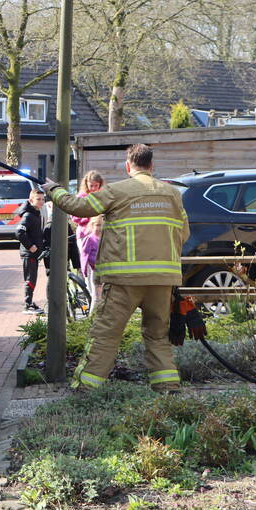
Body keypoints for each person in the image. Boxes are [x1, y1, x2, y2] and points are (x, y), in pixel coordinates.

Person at [42, 144, 188, 393]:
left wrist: (54, 190)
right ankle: (168, 388)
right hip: (163, 280)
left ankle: (85, 390)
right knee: (157, 336)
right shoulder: (173, 194)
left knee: (106, 335)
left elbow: (79, 208)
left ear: (128, 166)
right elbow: (184, 233)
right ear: (152, 166)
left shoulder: (118, 191)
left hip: (124, 279)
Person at [16, 188, 47, 314]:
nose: (41, 202)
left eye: (43, 199)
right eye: (38, 199)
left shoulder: (36, 213)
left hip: (34, 253)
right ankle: (27, 304)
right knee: (30, 279)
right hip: (29, 254)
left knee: (32, 278)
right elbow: (19, 232)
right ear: (31, 200)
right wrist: (30, 246)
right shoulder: (28, 215)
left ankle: (30, 302)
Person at [79, 215, 103, 304]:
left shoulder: (105, 238)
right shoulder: (90, 239)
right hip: (95, 270)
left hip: (105, 270)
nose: (100, 228)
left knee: (105, 296)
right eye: (97, 225)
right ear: (92, 226)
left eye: (102, 225)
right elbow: (84, 255)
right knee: (96, 297)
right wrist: (84, 270)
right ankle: (92, 316)